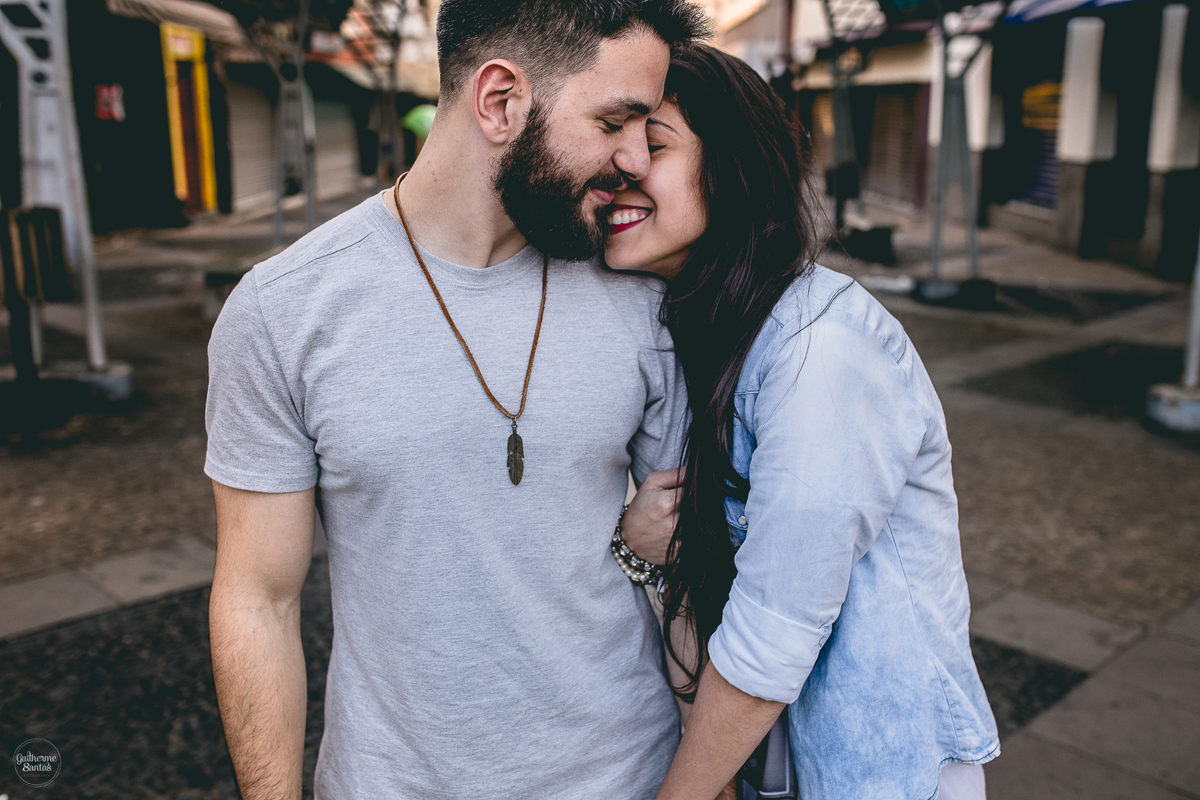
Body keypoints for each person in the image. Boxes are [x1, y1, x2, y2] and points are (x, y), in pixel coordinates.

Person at [204, 2, 708, 798]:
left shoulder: (642, 294)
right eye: (617, 120)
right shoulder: (282, 311)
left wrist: (707, 780)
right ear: (501, 101)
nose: (637, 160)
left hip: (623, 777)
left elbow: (690, 570)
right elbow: (258, 599)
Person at [610, 45, 1000, 800]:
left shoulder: (822, 351)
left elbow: (772, 634)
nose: (621, 167)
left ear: (734, 166)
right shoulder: (693, 329)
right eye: (614, 142)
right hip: (765, 763)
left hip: (880, 772)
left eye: (654, 145)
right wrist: (640, 546)